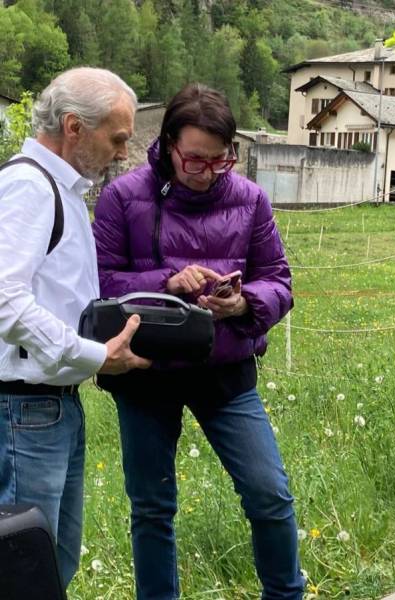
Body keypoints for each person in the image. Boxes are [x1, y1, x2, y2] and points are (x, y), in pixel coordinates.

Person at [92, 83, 303, 599]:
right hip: (145, 371)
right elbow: (96, 284)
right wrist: (164, 282)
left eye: (220, 161)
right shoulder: (123, 197)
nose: (207, 172)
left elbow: (278, 279)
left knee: (269, 495)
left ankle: (286, 595)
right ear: (167, 145)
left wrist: (245, 303)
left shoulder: (250, 199)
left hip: (225, 370)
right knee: (152, 507)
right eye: (194, 161)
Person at [0, 67, 151, 589]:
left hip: (50, 404)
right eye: (117, 138)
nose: (123, 153)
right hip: (24, 406)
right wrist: (92, 354)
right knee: (23, 571)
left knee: (52, 563)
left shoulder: (61, 190)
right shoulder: (28, 187)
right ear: (72, 125)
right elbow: (4, 300)